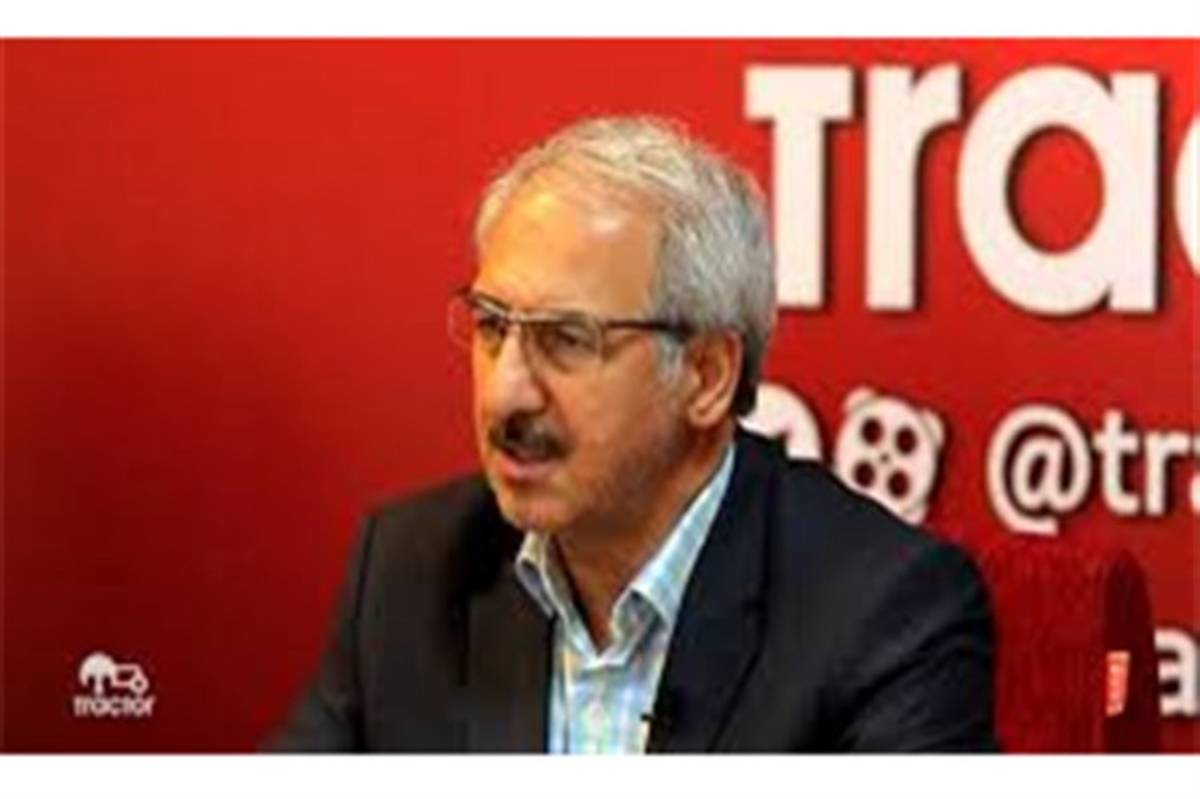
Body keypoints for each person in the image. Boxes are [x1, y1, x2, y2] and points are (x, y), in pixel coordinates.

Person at [267, 116, 997, 753]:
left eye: (566, 339)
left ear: (706, 376)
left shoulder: (883, 615)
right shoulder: (411, 569)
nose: (505, 391)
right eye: (492, 326)